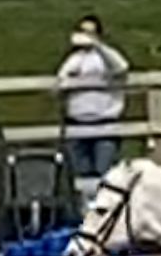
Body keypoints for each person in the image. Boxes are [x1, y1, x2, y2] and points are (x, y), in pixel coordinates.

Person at [55, 14, 129, 181]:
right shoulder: (74, 60)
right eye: (82, 31)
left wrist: (97, 45)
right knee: (78, 178)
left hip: (105, 126)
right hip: (77, 126)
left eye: (90, 32)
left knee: (105, 176)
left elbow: (121, 68)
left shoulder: (108, 57)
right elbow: (60, 83)